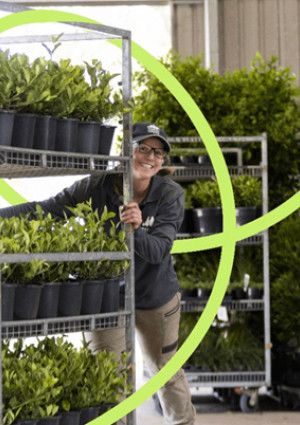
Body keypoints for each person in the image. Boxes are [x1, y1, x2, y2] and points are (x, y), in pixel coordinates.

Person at [0, 122, 196, 424]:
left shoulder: (170, 193)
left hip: (156, 297)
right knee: (110, 377)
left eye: (158, 152)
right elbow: (50, 209)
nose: (151, 156)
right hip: (107, 295)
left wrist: (135, 230)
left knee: (166, 370)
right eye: (143, 147)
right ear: (126, 151)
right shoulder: (98, 185)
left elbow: (158, 250)